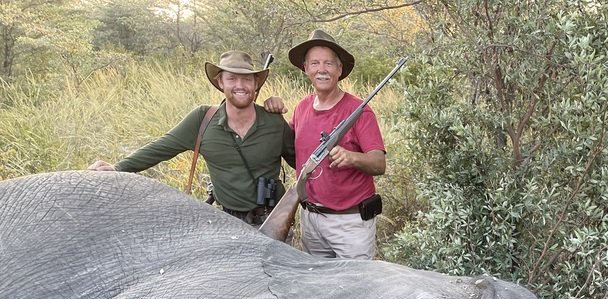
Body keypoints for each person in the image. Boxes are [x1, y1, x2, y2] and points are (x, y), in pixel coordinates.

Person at [89, 51, 295, 227]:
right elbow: (161, 147)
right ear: (220, 82)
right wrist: (117, 168)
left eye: (247, 79)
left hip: (273, 218)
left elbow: (301, 160)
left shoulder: (274, 121)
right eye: (232, 78)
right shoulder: (202, 119)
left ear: (256, 83)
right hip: (226, 220)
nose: (240, 85)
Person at [287, 29, 387, 259]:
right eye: (315, 63)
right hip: (311, 221)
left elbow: (379, 163)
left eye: (329, 64)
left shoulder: (359, 110)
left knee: (355, 291)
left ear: (339, 70)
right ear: (306, 68)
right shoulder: (301, 107)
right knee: (319, 289)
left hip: (350, 226)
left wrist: (353, 157)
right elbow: (290, 150)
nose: (322, 69)